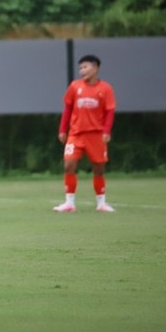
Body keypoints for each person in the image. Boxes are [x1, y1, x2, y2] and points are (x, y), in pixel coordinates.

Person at [53, 54, 117, 213]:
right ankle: (69, 203)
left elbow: (110, 111)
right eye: (80, 68)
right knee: (69, 164)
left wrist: (106, 131)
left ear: (95, 68)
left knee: (99, 168)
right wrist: (63, 129)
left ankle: (101, 203)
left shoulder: (106, 89)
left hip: (96, 135)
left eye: (85, 67)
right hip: (76, 134)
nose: (82, 70)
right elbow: (67, 109)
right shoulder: (75, 86)